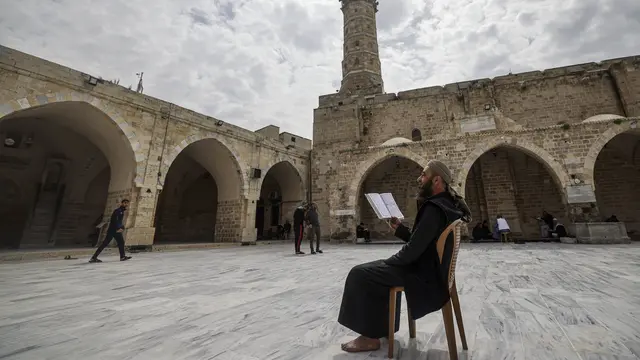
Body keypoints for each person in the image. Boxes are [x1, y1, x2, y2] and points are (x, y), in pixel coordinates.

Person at [337, 160, 471, 353]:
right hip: (431, 271)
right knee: (374, 271)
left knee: (360, 274)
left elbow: (412, 252)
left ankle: (369, 338)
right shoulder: (446, 205)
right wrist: (400, 230)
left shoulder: (434, 209)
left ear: (437, 180)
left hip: (423, 276)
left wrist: (388, 263)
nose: (419, 178)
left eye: (424, 175)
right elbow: (423, 243)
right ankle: (381, 330)